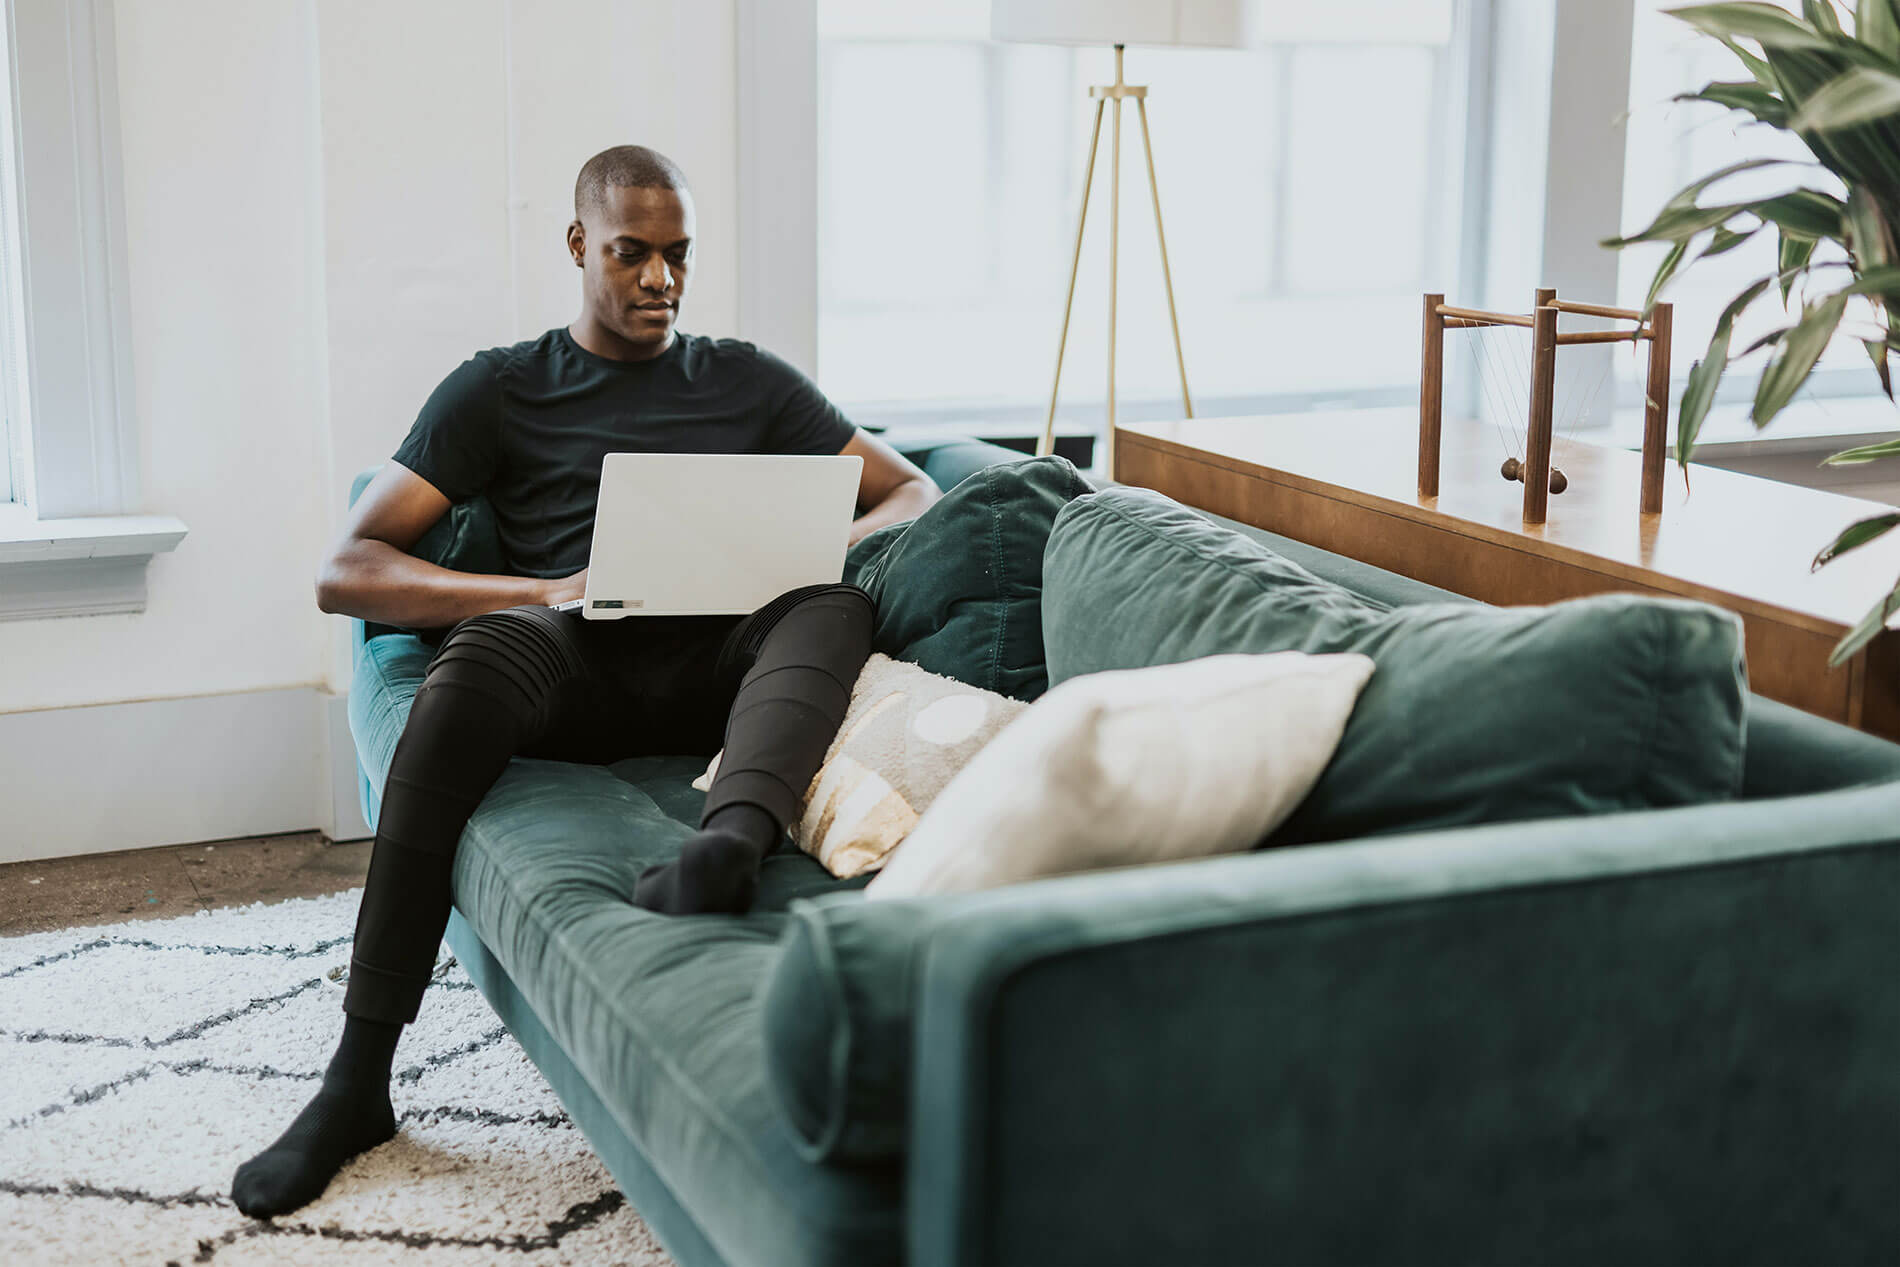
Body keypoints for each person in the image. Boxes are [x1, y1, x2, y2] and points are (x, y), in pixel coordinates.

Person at [230, 145, 940, 1219]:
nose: (660, 280)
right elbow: (348, 570)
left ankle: (730, 845)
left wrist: (808, 553)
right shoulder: (498, 387)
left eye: (678, 256)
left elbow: (913, 492)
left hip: (721, 670)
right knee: (473, 662)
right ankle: (358, 1077)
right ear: (578, 246)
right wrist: (538, 588)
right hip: (571, 660)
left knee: (831, 606)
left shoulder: (747, 378)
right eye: (632, 254)